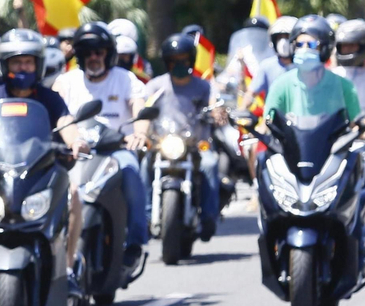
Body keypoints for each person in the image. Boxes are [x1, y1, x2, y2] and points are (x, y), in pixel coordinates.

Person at [0, 29, 88, 281]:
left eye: (28, 62)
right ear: (4, 65)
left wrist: (76, 141)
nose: (23, 67)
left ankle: (67, 268)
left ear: (38, 64)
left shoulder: (50, 98)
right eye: (16, 62)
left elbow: (66, 123)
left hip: (42, 172)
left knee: (74, 193)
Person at [52, 21, 151, 268]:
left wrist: (139, 132)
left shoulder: (126, 79)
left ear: (108, 53)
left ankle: (136, 242)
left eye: (99, 52)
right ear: (80, 56)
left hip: (117, 150)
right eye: (88, 52)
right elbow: (53, 109)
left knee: (132, 172)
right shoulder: (66, 82)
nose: (94, 57)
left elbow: (141, 109)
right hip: (77, 151)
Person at [145, 33, 227, 238]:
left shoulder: (204, 86)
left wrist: (217, 112)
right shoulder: (155, 86)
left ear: (191, 60)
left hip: (195, 145)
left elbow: (215, 103)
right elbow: (143, 109)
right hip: (163, 144)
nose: (179, 64)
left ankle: (209, 217)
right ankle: (145, 214)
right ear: (167, 62)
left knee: (210, 165)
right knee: (143, 164)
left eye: (183, 59)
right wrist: (143, 129)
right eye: (174, 60)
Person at [261, 22, 360, 128]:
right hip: (292, 144)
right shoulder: (281, 85)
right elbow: (267, 123)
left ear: (325, 48)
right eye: (299, 45)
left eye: (312, 45)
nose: (304, 49)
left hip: (336, 144)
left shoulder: (344, 86)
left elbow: (355, 124)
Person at [246, 16, 298, 107]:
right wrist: (241, 111)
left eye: (287, 37)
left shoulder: (303, 66)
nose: (283, 42)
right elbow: (251, 93)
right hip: (273, 118)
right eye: (280, 37)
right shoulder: (267, 66)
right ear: (274, 41)